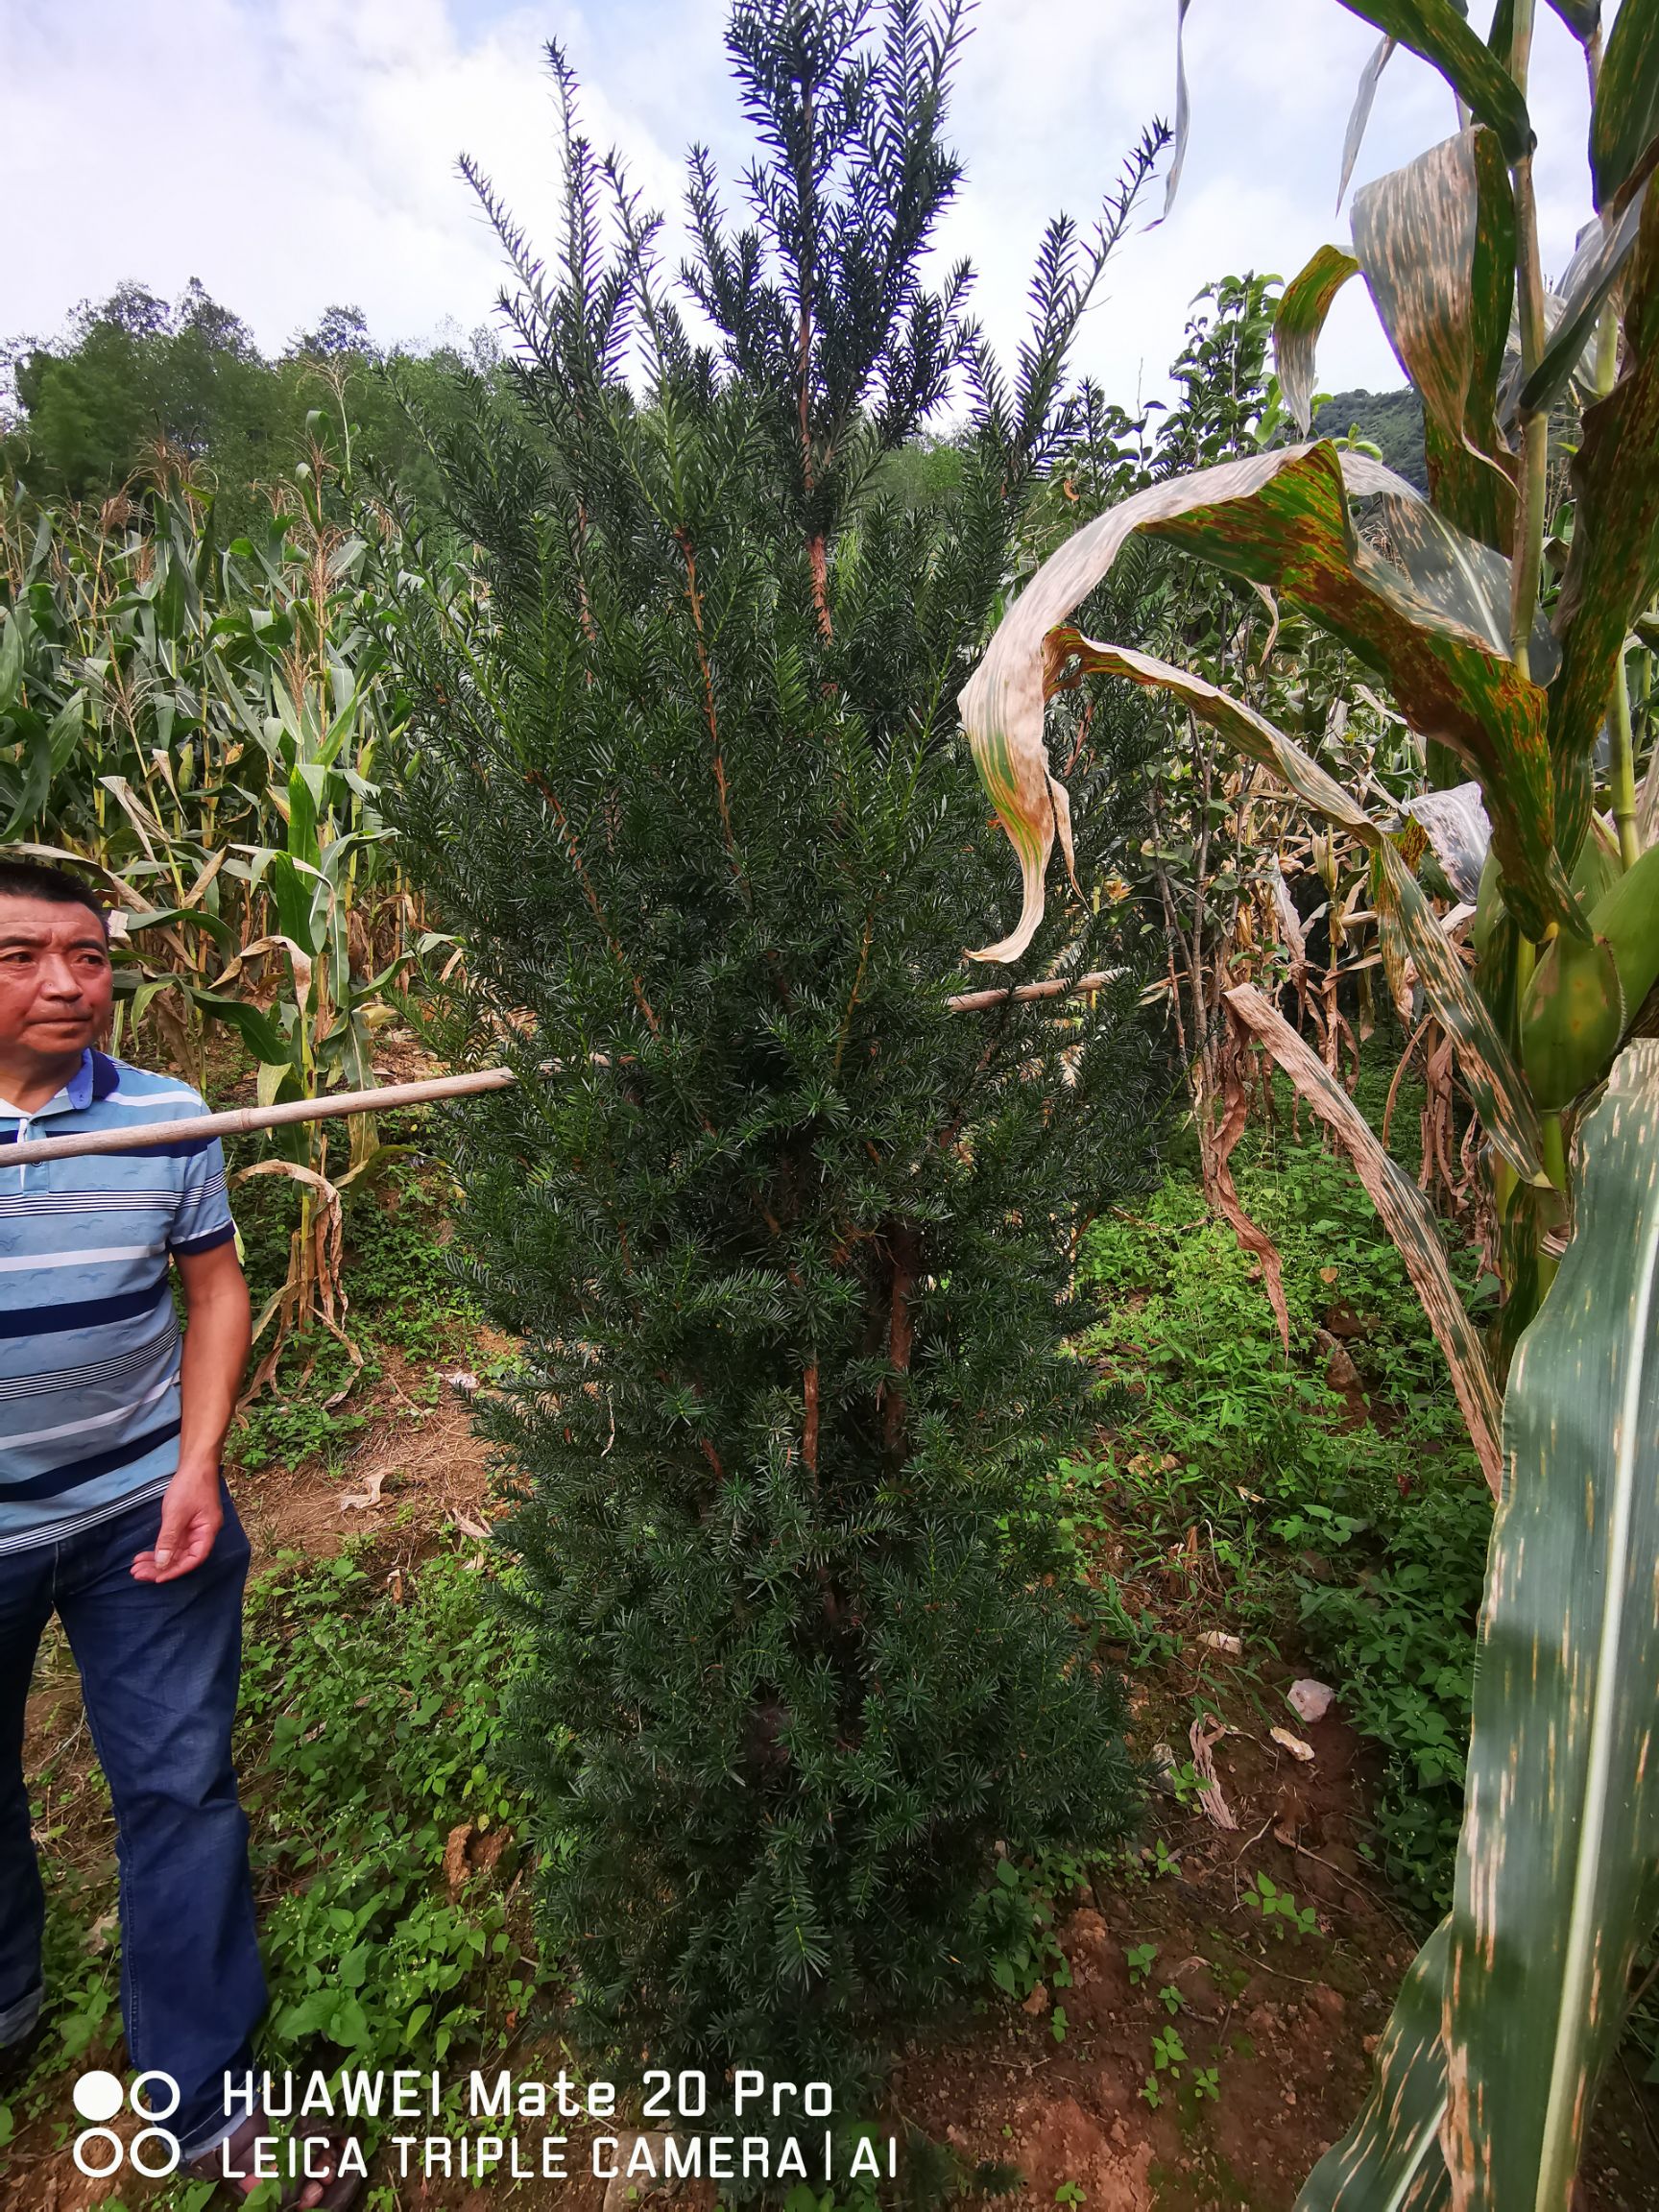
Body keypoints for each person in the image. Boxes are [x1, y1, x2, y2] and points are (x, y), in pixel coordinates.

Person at [0, 860, 356, 2209]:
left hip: (143, 1509)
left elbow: (213, 1291)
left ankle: (203, 2097)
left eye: (89, 957)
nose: (65, 984)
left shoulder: (163, 1117)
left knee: (179, 1791)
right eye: (25, 955)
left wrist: (199, 1460)